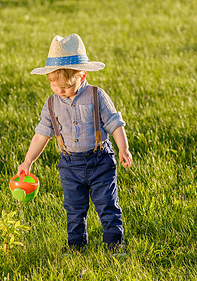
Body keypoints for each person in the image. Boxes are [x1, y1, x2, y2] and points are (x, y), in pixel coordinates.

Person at [17, 34, 133, 251]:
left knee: (107, 204)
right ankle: (76, 247)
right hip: (70, 165)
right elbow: (42, 134)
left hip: (100, 160)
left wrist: (123, 148)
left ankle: (115, 246)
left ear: (82, 75)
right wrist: (28, 161)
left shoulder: (97, 95)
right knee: (73, 208)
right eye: (54, 85)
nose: (60, 91)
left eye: (67, 86)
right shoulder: (51, 104)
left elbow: (115, 123)